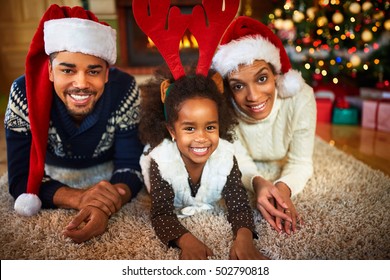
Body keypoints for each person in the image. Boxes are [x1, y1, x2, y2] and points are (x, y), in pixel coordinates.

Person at [4, 4, 144, 243]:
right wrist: (79, 198)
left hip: (104, 168)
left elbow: (131, 167)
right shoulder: (23, 93)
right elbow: (20, 177)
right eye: (67, 70)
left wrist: (104, 206)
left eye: (93, 71)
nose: (81, 84)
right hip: (54, 168)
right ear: (49, 71)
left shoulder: (124, 89)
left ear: (107, 73)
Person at [138, 66, 267, 260]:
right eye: (189, 128)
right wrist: (187, 241)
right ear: (172, 131)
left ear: (219, 124)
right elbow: (161, 213)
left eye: (210, 127)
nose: (201, 138)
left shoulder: (225, 156)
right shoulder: (161, 162)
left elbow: (238, 203)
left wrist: (245, 238)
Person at [212, 16, 316, 235]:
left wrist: (283, 188)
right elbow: (237, 158)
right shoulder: (224, 108)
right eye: (239, 86)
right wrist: (257, 181)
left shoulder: (301, 97)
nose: (254, 97)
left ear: (276, 76)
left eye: (261, 79)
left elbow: (301, 162)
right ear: (229, 90)